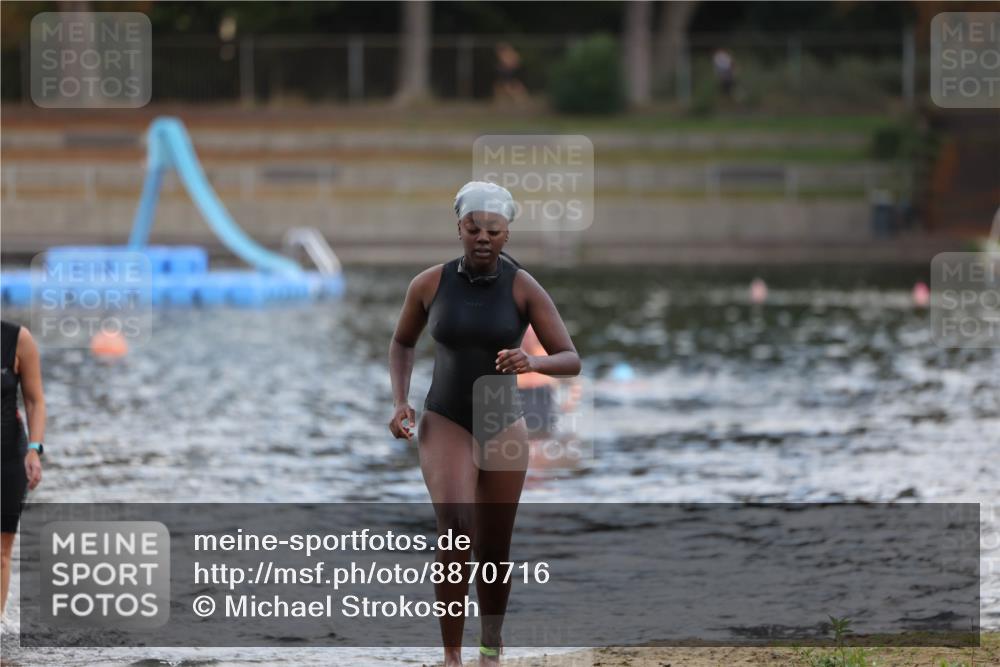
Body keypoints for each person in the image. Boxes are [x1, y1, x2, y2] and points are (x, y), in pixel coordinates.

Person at [388, 181, 580, 666]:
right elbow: (402, 343)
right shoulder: (429, 284)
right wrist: (399, 401)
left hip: (501, 419)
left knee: (494, 550)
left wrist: (532, 363)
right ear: (459, 228)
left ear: (506, 234)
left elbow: (570, 358)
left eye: (493, 231)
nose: (482, 238)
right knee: (455, 530)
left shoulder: (523, 287)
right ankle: (451, 656)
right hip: (444, 417)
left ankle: (490, 651)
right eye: (473, 228)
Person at [1, 320, 45, 616]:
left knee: (1, 552)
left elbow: (34, 400)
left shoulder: (16, 339)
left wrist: (34, 449)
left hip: (7, 457)